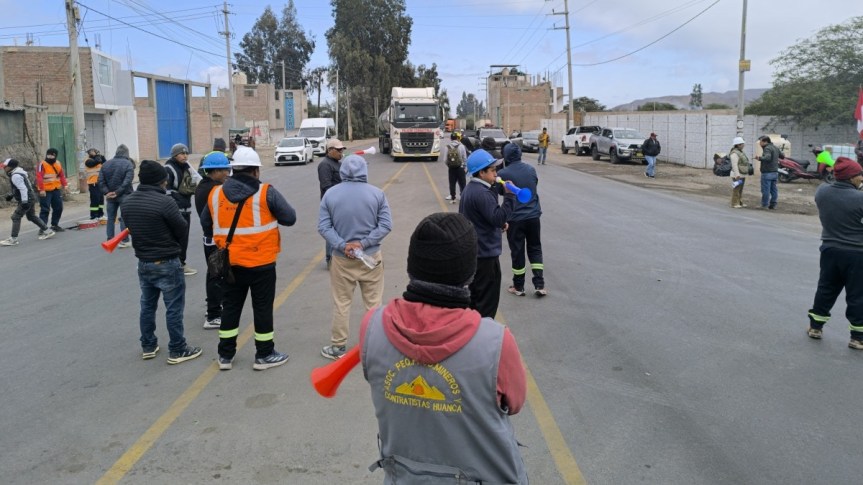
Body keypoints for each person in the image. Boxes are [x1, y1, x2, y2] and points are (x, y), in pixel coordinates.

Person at [360, 212, 528, 484]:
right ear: (470, 272)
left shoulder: (372, 325)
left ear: (411, 265)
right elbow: (514, 403)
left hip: (405, 476)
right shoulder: (495, 342)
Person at [200, 146, 297, 371]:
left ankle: (225, 356)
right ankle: (264, 354)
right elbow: (290, 218)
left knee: (231, 307)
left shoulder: (215, 194)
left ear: (233, 170)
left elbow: (207, 224)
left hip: (230, 264)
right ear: (255, 171)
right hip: (261, 263)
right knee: (262, 308)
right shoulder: (266, 192)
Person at [121, 160, 202, 364]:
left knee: (147, 305)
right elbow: (181, 228)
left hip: (144, 262)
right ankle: (178, 349)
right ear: (161, 181)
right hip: (167, 261)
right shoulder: (166, 202)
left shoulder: (128, 202)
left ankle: (148, 345)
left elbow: (131, 227)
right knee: (173, 307)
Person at [318, 154, 392, 360]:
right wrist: (364, 243)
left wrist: (343, 245)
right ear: (364, 171)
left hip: (342, 259)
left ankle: (338, 347)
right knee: (373, 303)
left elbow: (324, 226)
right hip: (371, 258)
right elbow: (386, 225)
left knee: (342, 303)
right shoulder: (377, 194)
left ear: (342, 172)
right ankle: (374, 346)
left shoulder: (330, 195)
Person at [806, 157, 863, 351]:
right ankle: (857, 337)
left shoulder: (822, 191)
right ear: (851, 177)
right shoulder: (860, 198)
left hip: (829, 249)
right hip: (857, 253)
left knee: (826, 289)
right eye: (859, 175)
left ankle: (815, 327)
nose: (861, 177)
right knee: (857, 295)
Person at [459, 149, 515, 318]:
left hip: (476, 252)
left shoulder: (471, 189)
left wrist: (498, 223)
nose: (495, 173)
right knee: (487, 301)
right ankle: (483, 334)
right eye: (492, 170)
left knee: (476, 297)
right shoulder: (482, 193)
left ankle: (472, 331)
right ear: (481, 173)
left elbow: (486, 218)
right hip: (485, 256)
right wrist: (510, 197)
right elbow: (497, 217)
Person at [499, 143, 546, 297]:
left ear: (505, 156)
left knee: (517, 251)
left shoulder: (503, 173)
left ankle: (519, 287)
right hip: (533, 216)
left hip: (515, 219)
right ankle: (539, 285)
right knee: (535, 248)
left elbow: (501, 191)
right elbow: (534, 185)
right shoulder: (531, 169)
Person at [195, 151, 232, 330]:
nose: (227, 173)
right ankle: (213, 315)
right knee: (216, 275)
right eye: (225, 169)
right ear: (215, 171)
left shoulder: (204, 186)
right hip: (215, 239)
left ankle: (214, 305)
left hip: (210, 237)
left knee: (214, 274)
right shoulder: (215, 190)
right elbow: (207, 218)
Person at [165, 143, 202, 275]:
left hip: (186, 208)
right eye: (182, 153)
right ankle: (177, 265)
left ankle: (180, 263)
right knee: (175, 238)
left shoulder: (187, 167)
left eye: (186, 153)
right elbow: (166, 191)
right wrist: (175, 205)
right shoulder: (169, 169)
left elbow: (195, 182)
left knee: (183, 238)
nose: (185, 156)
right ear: (175, 155)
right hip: (176, 210)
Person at [1, 159, 55, 245]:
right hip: (30, 197)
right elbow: (23, 187)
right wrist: (12, 194)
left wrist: (25, 201)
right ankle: (48, 231)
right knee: (31, 216)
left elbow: (23, 189)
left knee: (16, 217)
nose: (4, 168)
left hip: (26, 199)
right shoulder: (19, 173)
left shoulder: (15, 176)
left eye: (5, 167)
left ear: (10, 167)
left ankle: (13, 239)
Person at [98, 144, 135, 248]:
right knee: (124, 218)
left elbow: (100, 181)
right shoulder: (128, 164)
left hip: (110, 196)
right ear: (127, 153)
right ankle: (124, 240)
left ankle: (110, 239)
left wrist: (107, 192)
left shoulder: (106, 164)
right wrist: (118, 192)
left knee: (110, 218)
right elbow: (128, 181)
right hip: (125, 195)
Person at [317, 138, 346, 269]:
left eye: (342, 150)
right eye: (338, 150)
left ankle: (337, 256)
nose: (341, 152)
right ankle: (330, 259)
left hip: (339, 203)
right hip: (331, 203)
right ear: (330, 150)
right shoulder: (325, 165)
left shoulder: (337, 163)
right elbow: (326, 186)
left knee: (339, 230)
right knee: (331, 231)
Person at [36, 147, 68, 231]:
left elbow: (61, 175)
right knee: (45, 209)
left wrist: (65, 185)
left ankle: (54, 225)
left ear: (55, 156)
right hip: (45, 191)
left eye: (52, 155)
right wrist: (41, 189)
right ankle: (43, 228)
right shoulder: (42, 164)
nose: (50, 157)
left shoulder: (58, 163)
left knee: (59, 207)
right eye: (48, 155)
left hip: (56, 189)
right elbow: (39, 177)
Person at [755, 135, 781, 210]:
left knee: (765, 190)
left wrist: (759, 158)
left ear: (765, 142)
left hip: (767, 172)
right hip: (775, 172)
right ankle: (773, 204)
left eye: (761, 142)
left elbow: (767, 157)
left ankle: (764, 205)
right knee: (774, 189)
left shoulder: (767, 148)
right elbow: (782, 156)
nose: (760, 143)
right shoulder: (775, 147)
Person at [443, 132, 467, 204]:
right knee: (462, 183)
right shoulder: (462, 146)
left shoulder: (447, 147)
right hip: (460, 167)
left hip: (451, 168)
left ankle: (453, 198)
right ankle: (462, 197)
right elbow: (465, 158)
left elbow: (445, 160)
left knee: (452, 183)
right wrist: (464, 166)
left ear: (451, 138)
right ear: (457, 138)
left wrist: (449, 165)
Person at [84, 148, 106, 220]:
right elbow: (95, 162)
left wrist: (102, 158)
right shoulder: (88, 160)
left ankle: (100, 214)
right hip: (93, 182)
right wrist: (98, 156)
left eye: (94, 151)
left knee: (101, 199)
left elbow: (105, 164)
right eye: (91, 152)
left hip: (100, 182)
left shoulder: (98, 158)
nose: (92, 153)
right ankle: (94, 215)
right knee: (95, 199)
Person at [729, 137, 751, 209]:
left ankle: (740, 202)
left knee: (740, 189)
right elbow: (734, 165)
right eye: (742, 144)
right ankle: (734, 203)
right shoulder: (734, 153)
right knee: (736, 189)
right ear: (738, 145)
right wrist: (737, 174)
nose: (743, 145)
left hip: (742, 174)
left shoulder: (740, 152)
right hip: (737, 175)